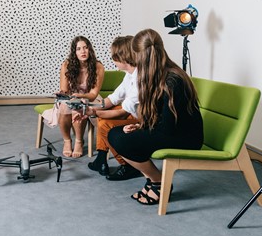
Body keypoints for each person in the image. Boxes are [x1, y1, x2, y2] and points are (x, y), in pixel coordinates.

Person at [107, 29, 203, 205]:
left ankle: (159, 182)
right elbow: (161, 117)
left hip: (184, 138)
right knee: (116, 134)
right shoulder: (157, 74)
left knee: (121, 140)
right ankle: (154, 181)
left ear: (140, 55)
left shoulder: (173, 80)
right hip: (169, 130)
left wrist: (142, 129)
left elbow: (168, 127)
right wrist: (139, 127)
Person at [74, 36, 142, 180]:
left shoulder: (139, 79)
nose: (112, 60)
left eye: (113, 57)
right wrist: (91, 107)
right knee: (103, 116)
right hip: (133, 112)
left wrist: (93, 112)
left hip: (142, 120)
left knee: (105, 124)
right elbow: (112, 99)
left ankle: (128, 166)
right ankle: (101, 159)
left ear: (122, 57)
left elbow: (122, 112)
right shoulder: (129, 75)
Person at [57, 36, 104, 158]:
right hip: (72, 96)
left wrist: (80, 96)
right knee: (64, 106)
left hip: (90, 97)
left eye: (85, 48)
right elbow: (65, 89)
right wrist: (63, 94)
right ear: (74, 52)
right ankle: (67, 140)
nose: (83, 51)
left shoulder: (98, 66)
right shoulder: (66, 65)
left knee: (80, 105)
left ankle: (79, 141)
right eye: (78, 49)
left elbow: (93, 95)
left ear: (90, 49)